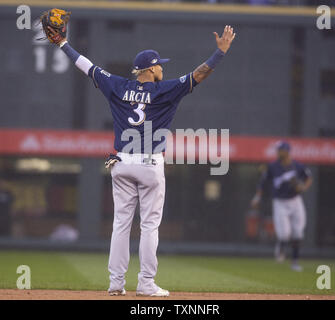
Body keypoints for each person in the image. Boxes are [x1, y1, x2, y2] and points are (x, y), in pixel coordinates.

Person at [45, 19, 236, 296]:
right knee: (149, 226)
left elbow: (85, 65)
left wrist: (62, 43)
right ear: (150, 68)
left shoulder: (118, 85)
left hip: (121, 162)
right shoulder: (165, 89)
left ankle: (115, 283)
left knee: (120, 225)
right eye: (159, 65)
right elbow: (200, 74)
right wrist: (220, 53)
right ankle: (146, 284)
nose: (162, 68)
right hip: (149, 163)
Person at [251, 141, 312, 271]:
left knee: (298, 233)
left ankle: (295, 261)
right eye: (278, 150)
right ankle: (281, 247)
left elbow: (308, 177)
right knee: (284, 233)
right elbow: (262, 183)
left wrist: (303, 187)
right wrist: (257, 197)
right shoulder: (273, 166)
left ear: (287, 151)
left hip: (295, 200)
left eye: (280, 150)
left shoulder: (297, 166)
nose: (278, 152)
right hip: (280, 202)